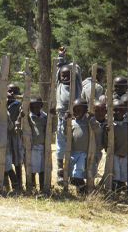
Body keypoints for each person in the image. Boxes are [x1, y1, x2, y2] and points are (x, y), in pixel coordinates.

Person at [16, 95, 56, 190]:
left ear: (41, 106)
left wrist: (54, 116)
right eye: (32, 107)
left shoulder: (46, 117)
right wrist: (19, 118)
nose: (34, 109)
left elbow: (53, 128)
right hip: (31, 148)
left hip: (43, 148)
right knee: (31, 170)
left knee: (43, 170)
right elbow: (18, 130)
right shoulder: (27, 118)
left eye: (37, 107)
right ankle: (31, 188)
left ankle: (43, 188)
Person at [55, 46, 82, 185]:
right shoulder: (58, 84)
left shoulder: (77, 85)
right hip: (61, 116)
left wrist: (71, 65)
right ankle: (60, 171)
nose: (65, 77)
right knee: (61, 143)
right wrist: (61, 57)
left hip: (76, 116)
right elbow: (58, 69)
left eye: (68, 75)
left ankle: (71, 172)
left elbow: (76, 71)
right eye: (63, 75)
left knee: (74, 144)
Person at [62, 98, 101, 193]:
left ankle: (83, 190)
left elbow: (98, 131)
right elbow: (65, 132)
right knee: (71, 174)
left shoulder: (88, 122)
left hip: (84, 153)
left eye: (79, 110)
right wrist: (65, 120)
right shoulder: (73, 122)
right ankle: (82, 188)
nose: (76, 113)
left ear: (85, 110)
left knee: (78, 173)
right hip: (73, 152)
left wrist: (92, 120)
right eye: (74, 110)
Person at [105, 99, 128, 192]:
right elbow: (105, 139)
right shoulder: (110, 124)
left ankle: (121, 188)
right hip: (115, 153)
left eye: (121, 110)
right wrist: (106, 133)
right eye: (115, 110)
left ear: (125, 111)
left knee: (124, 172)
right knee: (116, 172)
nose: (118, 112)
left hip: (125, 154)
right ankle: (114, 191)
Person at [7, 83, 24, 190]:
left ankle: (19, 183)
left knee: (17, 161)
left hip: (16, 137)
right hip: (5, 136)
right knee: (5, 160)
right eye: (9, 91)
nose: (12, 93)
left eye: (15, 92)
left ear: (19, 94)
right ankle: (6, 184)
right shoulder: (1, 104)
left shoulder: (19, 105)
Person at [93, 100, 107, 174]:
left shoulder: (108, 123)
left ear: (106, 111)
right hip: (89, 150)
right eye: (97, 111)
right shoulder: (90, 123)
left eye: (102, 110)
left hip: (99, 150)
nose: (100, 113)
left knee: (95, 167)